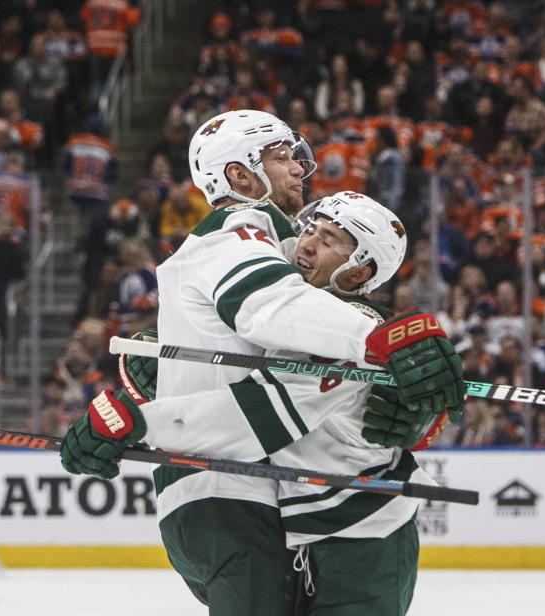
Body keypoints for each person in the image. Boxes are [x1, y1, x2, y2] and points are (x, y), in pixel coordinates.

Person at [60, 110, 465, 615]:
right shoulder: (250, 248)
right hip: (258, 504)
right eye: (312, 227)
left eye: (332, 239)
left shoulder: (328, 311)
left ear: (362, 270)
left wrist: (418, 407)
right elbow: (265, 322)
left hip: (352, 527)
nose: (300, 169)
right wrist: (149, 387)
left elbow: (271, 387)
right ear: (240, 175)